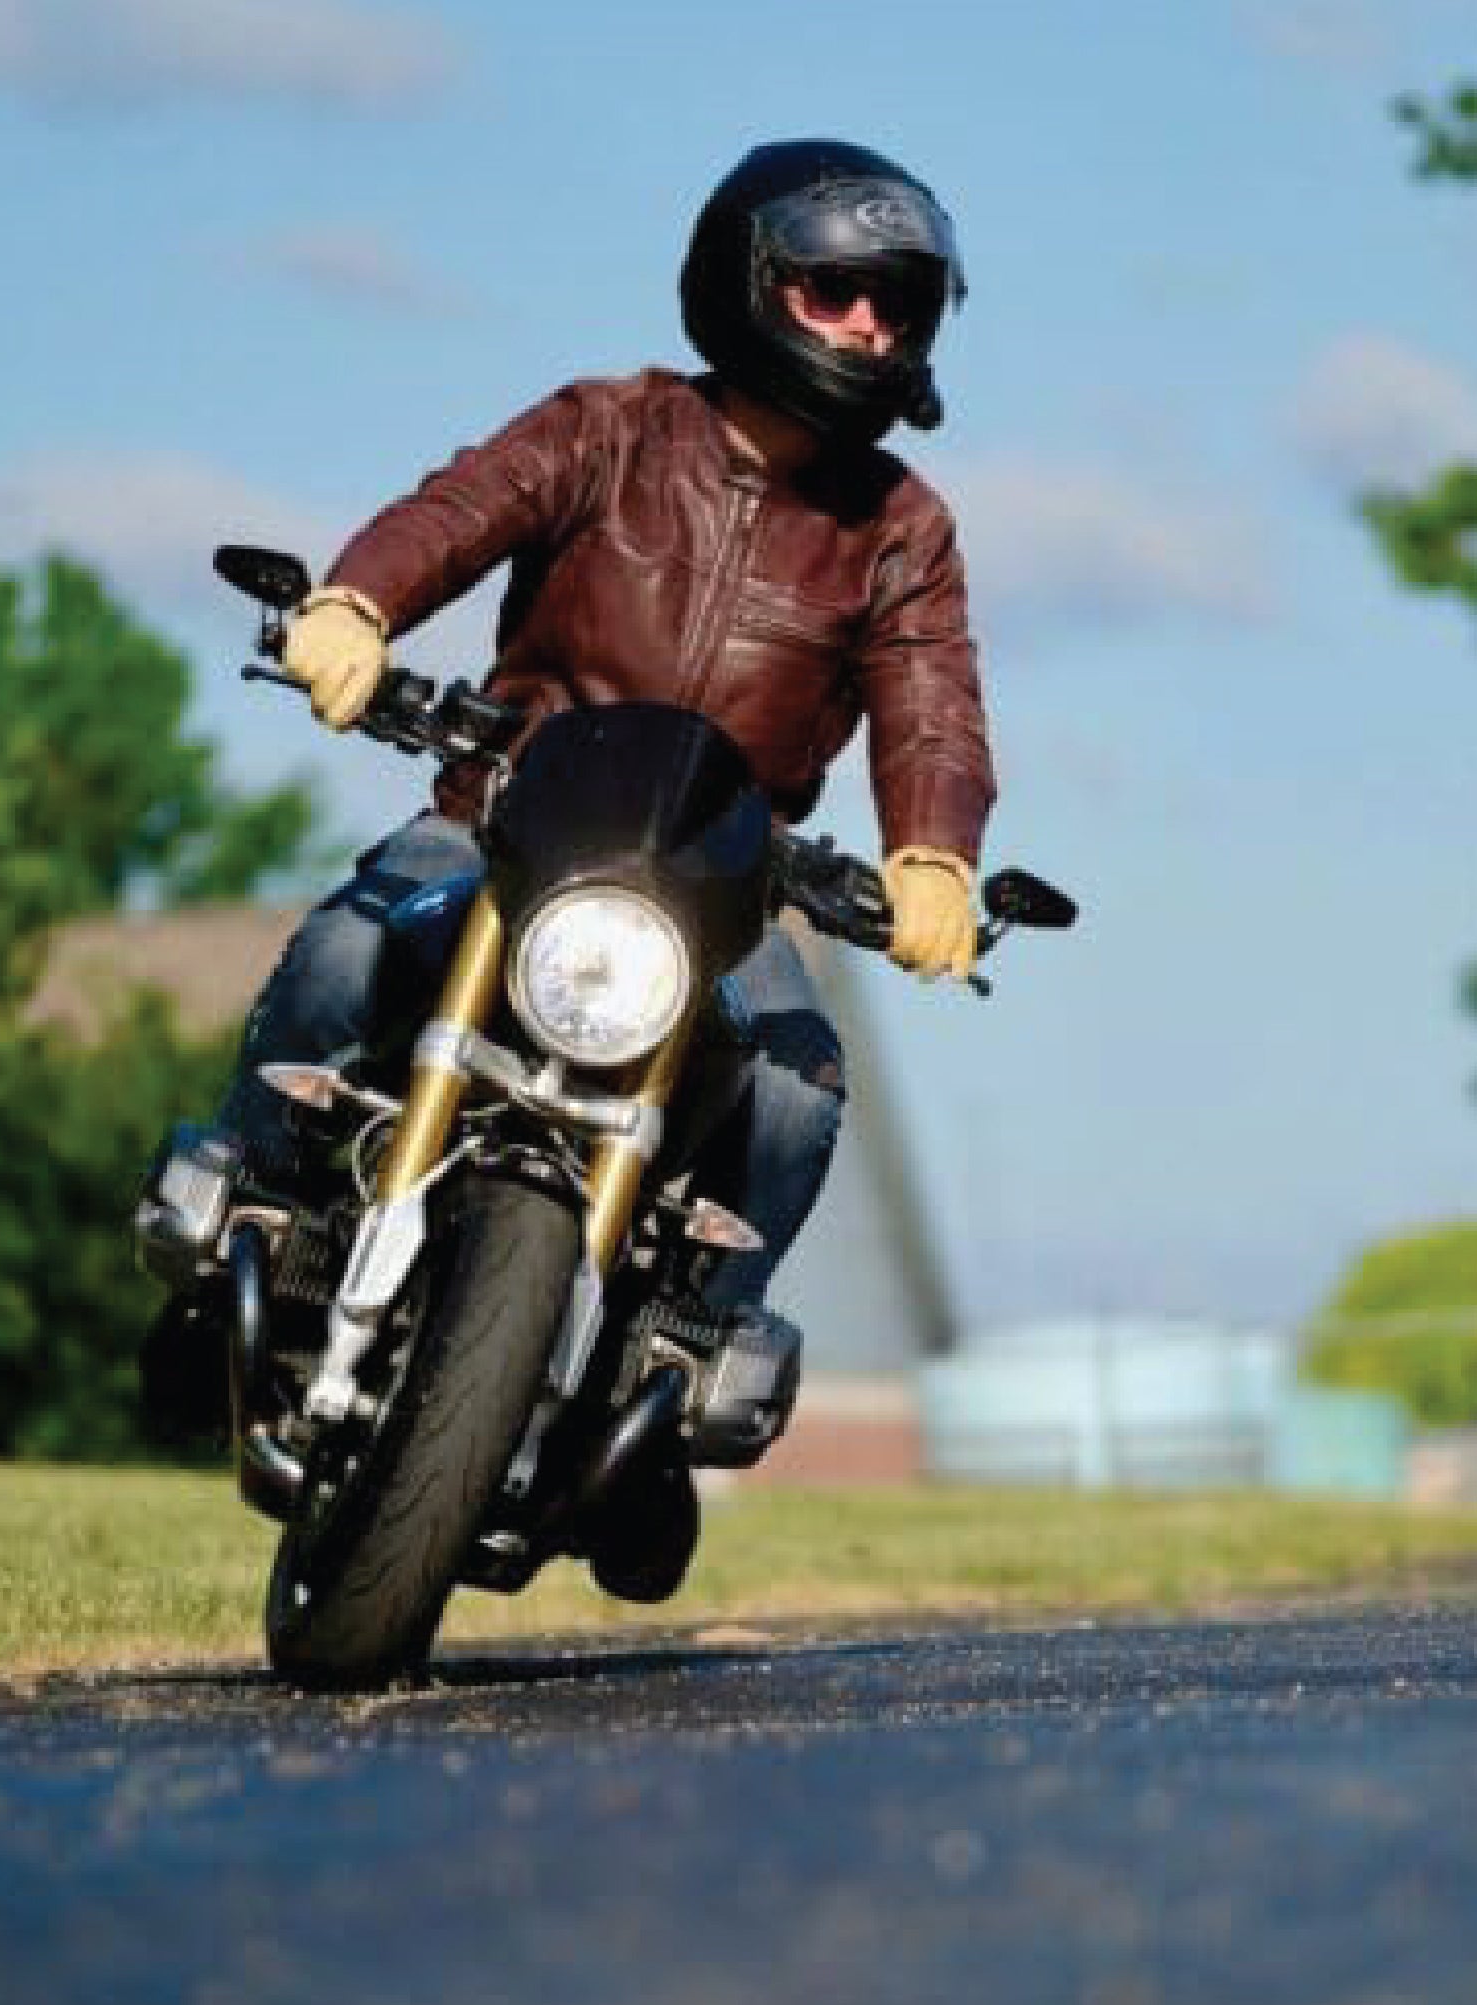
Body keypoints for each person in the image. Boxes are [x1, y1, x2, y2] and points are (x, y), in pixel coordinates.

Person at [208, 143, 995, 1565]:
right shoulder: (610, 428)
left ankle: (676, 1354)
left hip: (723, 890)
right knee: (347, 945)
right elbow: (460, 509)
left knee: (798, 1089)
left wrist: (934, 857)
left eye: (897, 303)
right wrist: (356, 604)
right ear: (747, 281)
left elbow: (932, 705)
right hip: (501, 818)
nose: (869, 326)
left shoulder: (902, 532)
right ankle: (250, 1202)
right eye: (832, 290)